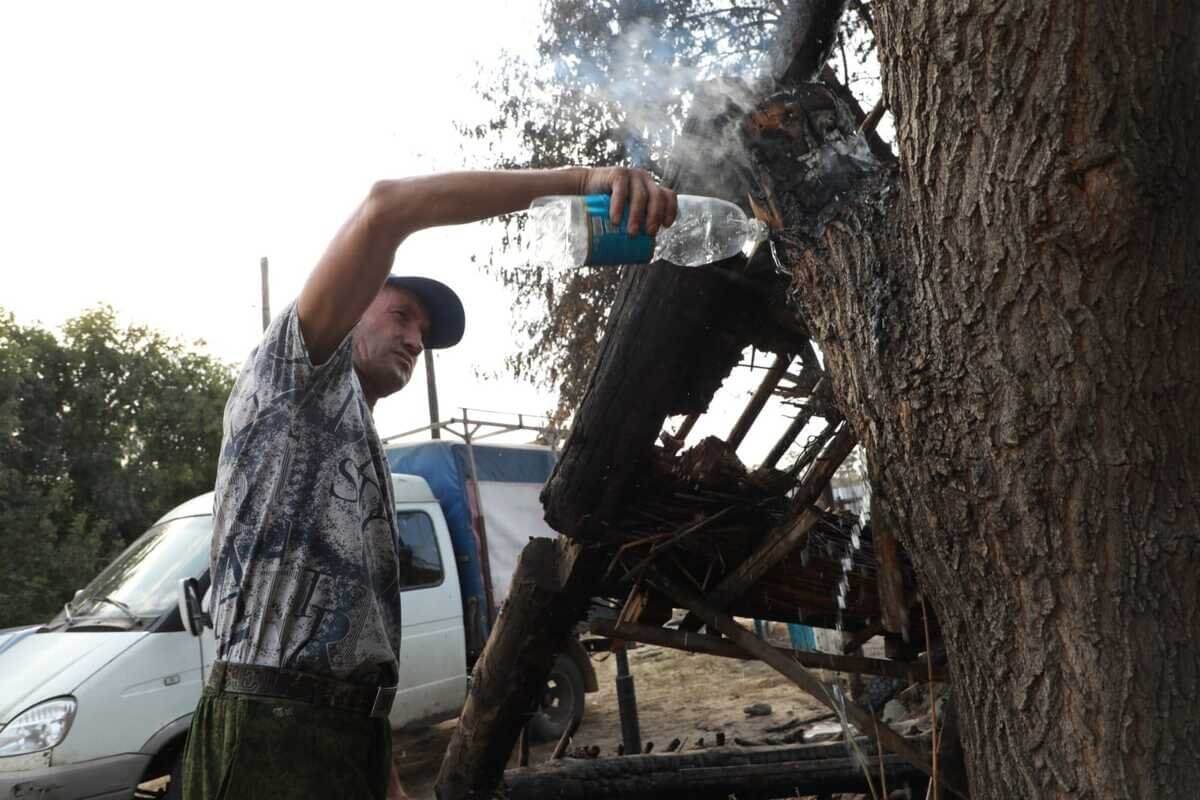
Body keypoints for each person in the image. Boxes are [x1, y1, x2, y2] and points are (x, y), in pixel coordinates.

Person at [181, 167, 677, 800]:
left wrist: (382, 772)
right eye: (402, 315)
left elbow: (351, 645)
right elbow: (387, 206)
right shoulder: (289, 370)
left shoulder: (357, 440)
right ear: (355, 298)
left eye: (424, 333)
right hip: (263, 732)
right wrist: (585, 181)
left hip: (344, 733)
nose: (416, 339)